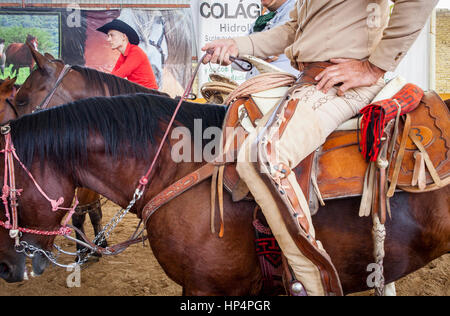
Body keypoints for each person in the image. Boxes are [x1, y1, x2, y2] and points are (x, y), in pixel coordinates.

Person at [202, 0, 438, 296]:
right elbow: (291, 29)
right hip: (309, 81)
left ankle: (317, 284)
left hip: (341, 84)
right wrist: (237, 44)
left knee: (262, 156)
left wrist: (374, 66)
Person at [97, 19, 158, 90]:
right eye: (108, 36)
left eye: (112, 35)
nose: (108, 39)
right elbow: (113, 75)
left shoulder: (136, 52)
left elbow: (119, 75)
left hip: (149, 95)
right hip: (137, 93)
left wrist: (99, 81)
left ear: (123, 37)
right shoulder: (123, 55)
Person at [246, 0, 299, 78]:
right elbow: (237, 63)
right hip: (257, 85)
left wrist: (247, 54)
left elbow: (269, 48)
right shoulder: (265, 16)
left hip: (283, 86)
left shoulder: (296, 9)